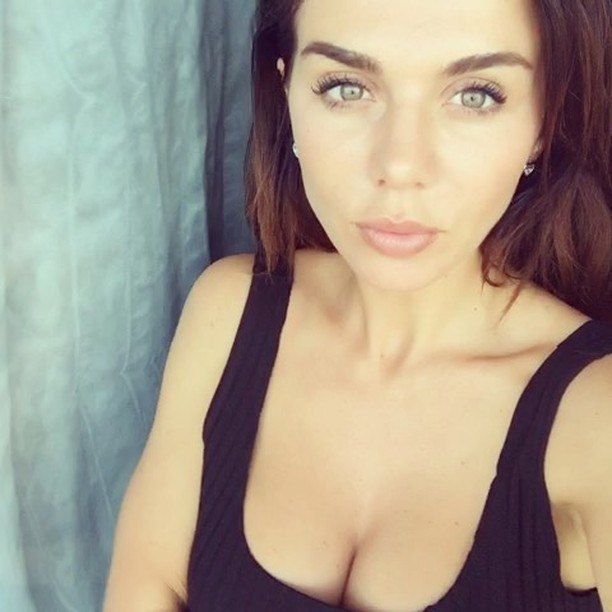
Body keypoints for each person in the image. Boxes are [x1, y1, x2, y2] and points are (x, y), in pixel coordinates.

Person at [103, 0, 612, 610]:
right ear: (286, 93)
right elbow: (149, 584)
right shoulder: (228, 313)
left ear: (544, 121)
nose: (400, 166)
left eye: (475, 96)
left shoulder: (597, 418)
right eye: (347, 88)